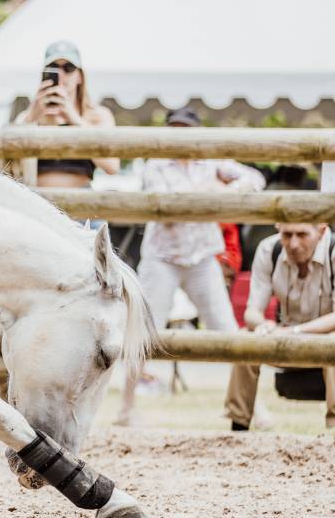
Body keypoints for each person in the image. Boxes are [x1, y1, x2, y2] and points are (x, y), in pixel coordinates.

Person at [116, 106, 265, 425]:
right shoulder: (155, 164)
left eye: (186, 128)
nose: (180, 134)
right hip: (162, 258)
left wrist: (225, 189)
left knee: (226, 330)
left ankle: (251, 407)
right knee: (142, 330)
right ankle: (126, 407)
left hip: (202, 256)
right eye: (174, 128)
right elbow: (168, 207)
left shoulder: (210, 160)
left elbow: (255, 178)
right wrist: (212, 191)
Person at [225, 222, 335, 432]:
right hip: (284, 338)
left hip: (323, 340)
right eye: (287, 235)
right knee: (246, 338)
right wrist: (264, 325)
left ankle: (333, 432)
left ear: (321, 231)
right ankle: (238, 427)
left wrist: (295, 332)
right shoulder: (269, 249)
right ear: (278, 229)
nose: (293, 244)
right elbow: (252, 311)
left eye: (302, 234)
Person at [12, 40, 119, 187]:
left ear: (80, 76)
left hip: (82, 203)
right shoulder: (28, 117)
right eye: (53, 68)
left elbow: (112, 166)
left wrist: (75, 119)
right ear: (44, 74)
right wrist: (32, 118)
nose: (61, 74)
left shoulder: (98, 115)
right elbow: (10, 165)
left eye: (69, 67)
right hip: (35, 203)